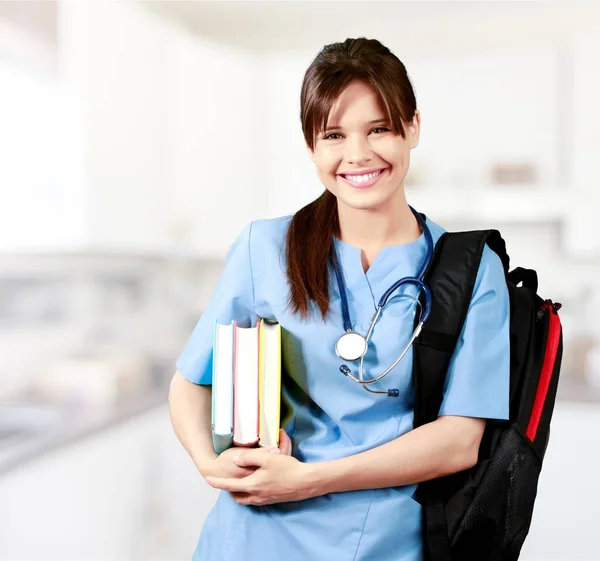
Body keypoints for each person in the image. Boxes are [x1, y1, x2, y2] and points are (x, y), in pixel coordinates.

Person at [168, 37, 510, 561]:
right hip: (251, 540)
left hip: (383, 544)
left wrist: (309, 480)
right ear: (312, 146)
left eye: (379, 129)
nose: (357, 155)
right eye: (334, 134)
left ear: (413, 127)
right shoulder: (266, 248)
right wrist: (209, 463)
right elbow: (190, 384)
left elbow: (459, 441)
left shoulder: (468, 268)